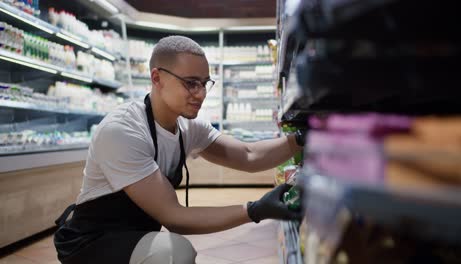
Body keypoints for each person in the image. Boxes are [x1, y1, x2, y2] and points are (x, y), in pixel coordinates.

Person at [54, 35, 304, 264]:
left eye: (205, 83)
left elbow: (249, 155)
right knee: (173, 252)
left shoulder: (187, 126)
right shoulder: (123, 130)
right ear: (156, 78)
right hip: (91, 242)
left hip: (136, 235)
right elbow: (174, 217)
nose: (201, 93)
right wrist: (255, 210)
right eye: (191, 83)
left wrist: (302, 138)